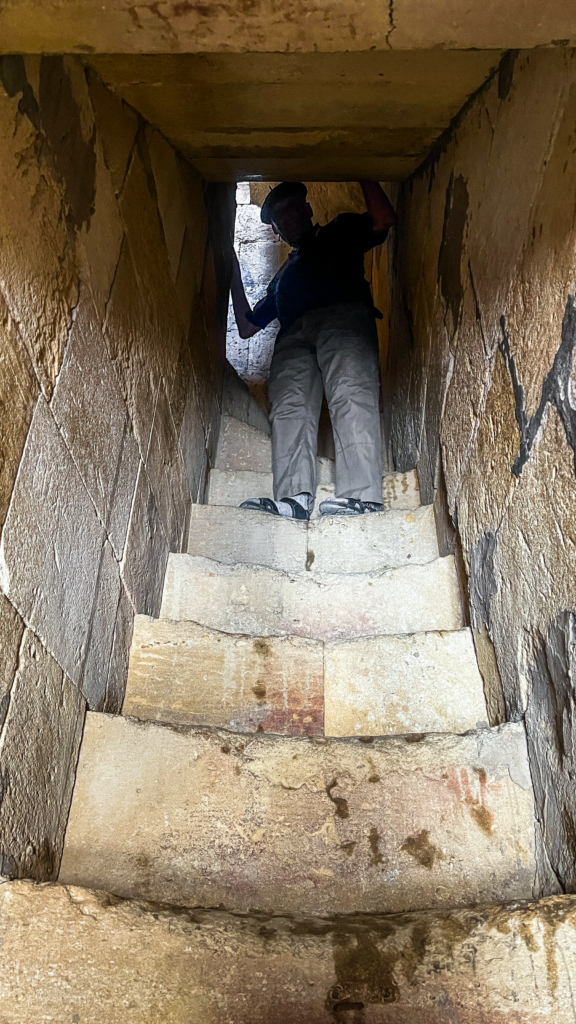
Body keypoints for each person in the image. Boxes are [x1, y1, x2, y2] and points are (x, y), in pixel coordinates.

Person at [230, 180, 397, 520]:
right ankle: (293, 499)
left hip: (344, 317)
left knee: (350, 392)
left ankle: (363, 496)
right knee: (289, 408)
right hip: (293, 338)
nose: (289, 219)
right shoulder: (282, 276)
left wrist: (361, 172)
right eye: (280, 218)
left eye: (293, 209)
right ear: (276, 232)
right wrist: (230, 264)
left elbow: (383, 220)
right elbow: (247, 327)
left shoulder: (340, 230)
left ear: (307, 210)